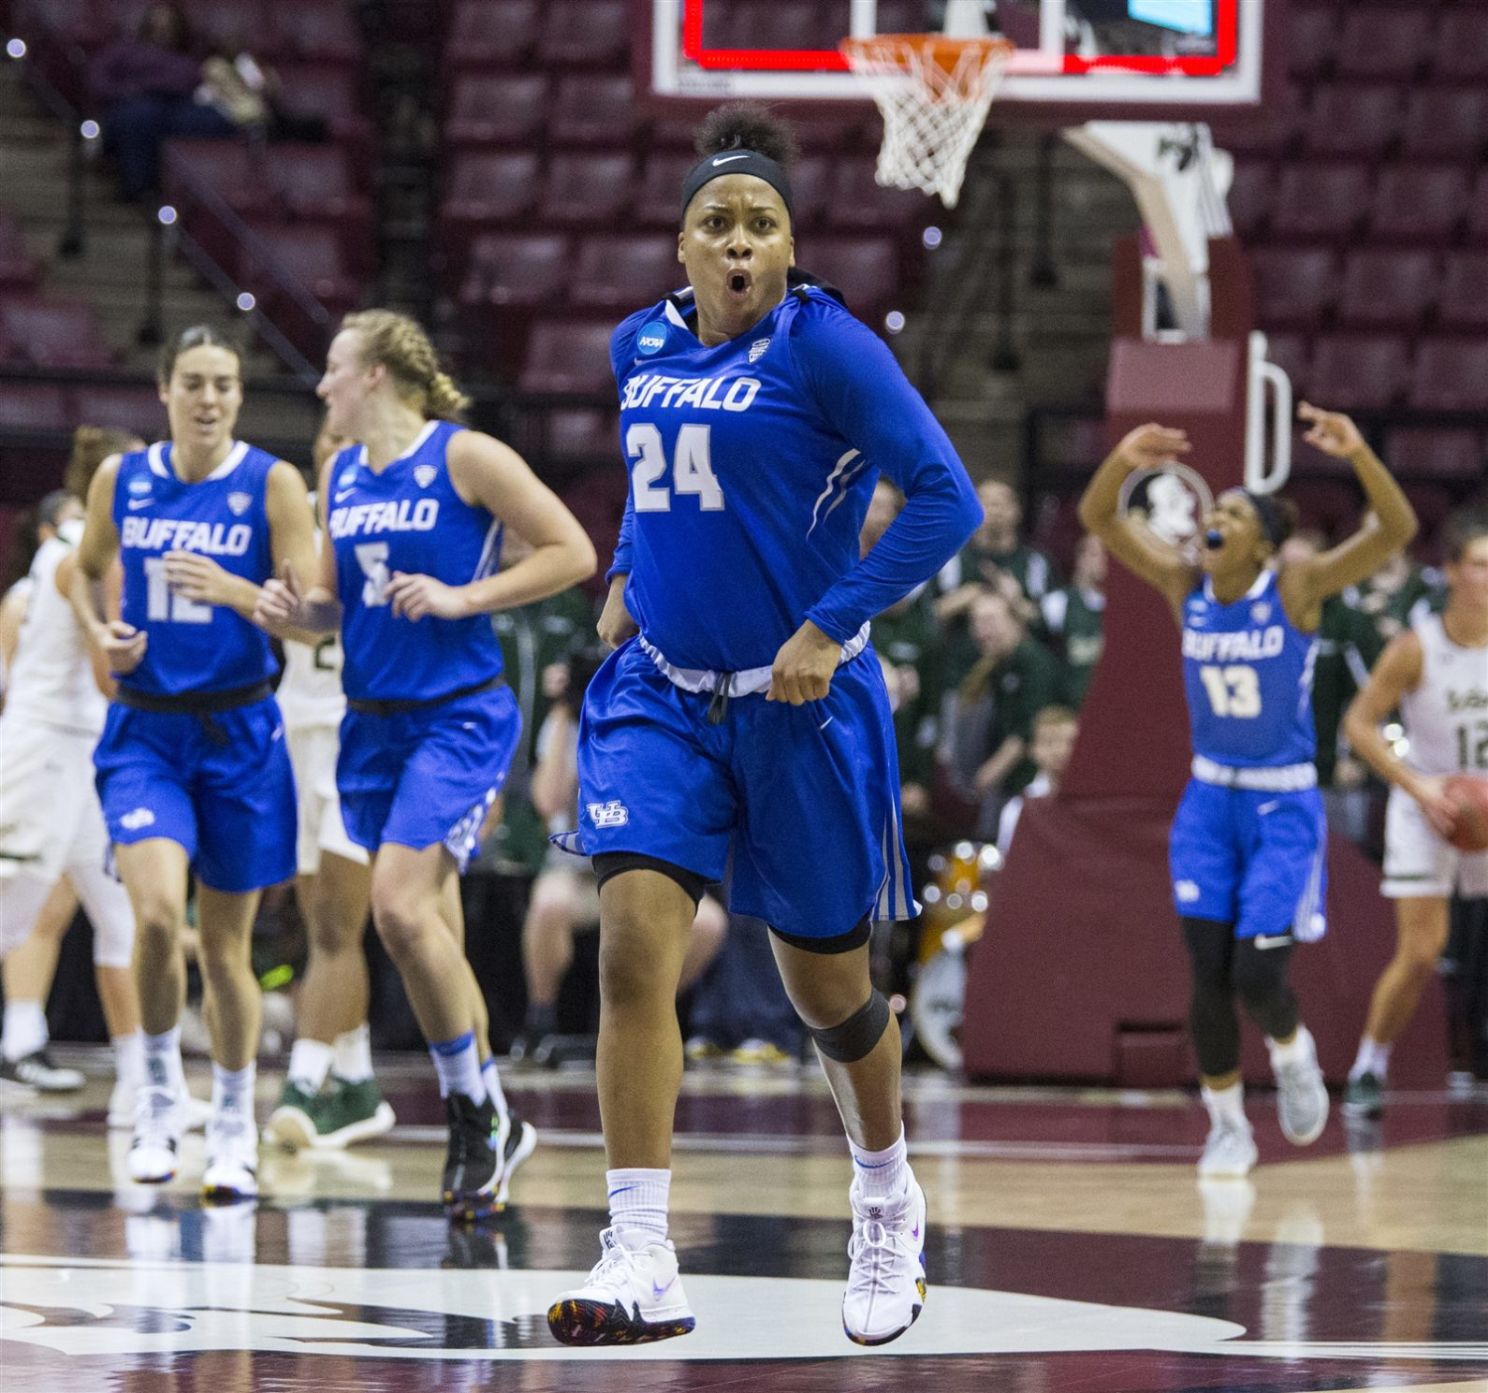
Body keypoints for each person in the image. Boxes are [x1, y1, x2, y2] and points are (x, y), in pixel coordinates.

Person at [542, 104, 980, 1348]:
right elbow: (654, 479)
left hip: (799, 706)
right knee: (632, 946)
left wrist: (830, 624)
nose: (739, 241)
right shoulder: (638, 342)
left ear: (789, 249)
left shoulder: (826, 345)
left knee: (832, 996)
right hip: (664, 693)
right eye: (716, 222)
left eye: (762, 223)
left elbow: (944, 498)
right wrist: (626, 564)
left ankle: (887, 1194)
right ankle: (640, 1255)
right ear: (681, 246)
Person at [255, 309, 596, 1219]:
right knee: (422, 931)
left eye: (334, 368)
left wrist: (464, 595)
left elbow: (574, 550)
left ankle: (477, 1110)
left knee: (396, 907)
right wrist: (288, 609)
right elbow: (333, 607)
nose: (321, 385)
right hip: (373, 726)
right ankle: (488, 1109)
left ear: (376, 375)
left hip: (458, 718)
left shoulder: (465, 457)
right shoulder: (341, 473)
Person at [1077, 403, 1417, 1178]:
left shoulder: (1296, 586)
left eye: (1230, 511)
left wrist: (1360, 450)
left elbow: (1393, 532)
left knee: (1257, 976)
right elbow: (1101, 515)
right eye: (1212, 508)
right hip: (1208, 801)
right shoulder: (1180, 582)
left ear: (1260, 540)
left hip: (1282, 803)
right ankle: (1228, 1125)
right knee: (1207, 975)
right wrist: (1126, 456)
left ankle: (1293, 1050)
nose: (1212, 517)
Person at [69, 326, 318, 1201]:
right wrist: (105, 637)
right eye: (193, 383)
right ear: (165, 391)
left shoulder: (272, 483)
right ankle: (157, 1096)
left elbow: (320, 614)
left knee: (226, 951)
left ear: (240, 398)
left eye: (224, 385)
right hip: (145, 733)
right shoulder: (121, 479)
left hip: (241, 735)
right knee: (151, 915)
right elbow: (82, 568)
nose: (209, 398)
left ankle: (233, 1121)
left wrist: (240, 592)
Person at [0, 431, 142, 1105]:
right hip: (44, 748)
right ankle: (18, 1042)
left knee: (123, 914)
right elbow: (107, 673)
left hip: (85, 753)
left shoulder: (93, 551)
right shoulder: (82, 554)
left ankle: (147, 1080)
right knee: (12, 908)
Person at [264, 423, 391, 1152]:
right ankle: (360, 1078)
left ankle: (303, 1084)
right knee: (320, 928)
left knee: (341, 926)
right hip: (296, 730)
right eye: (331, 434)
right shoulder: (295, 514)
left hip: (360, 730)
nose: (340, 442)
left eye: (354, 433)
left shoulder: (390, 515)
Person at [1341, 510, 1488, 1118]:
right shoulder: (1415, 646)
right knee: (1424, 951)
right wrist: (1418, 786)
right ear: (1452, 571)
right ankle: (1368, 1066)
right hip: (1427, 802)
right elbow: (1358, 722)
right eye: (1480, 564)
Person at [516, 648, 727, 1065]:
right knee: (549, 906)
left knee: (709, 925)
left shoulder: (648, 723)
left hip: (639, 864)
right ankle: (539, 1020)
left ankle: (644, 1011)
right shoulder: (574, 720)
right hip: (575, 867)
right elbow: (547, 800)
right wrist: (564, 712)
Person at [937, 587, 1062, 839]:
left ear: (1014, 621)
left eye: (990, 621)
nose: (981, 631)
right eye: (975, 623)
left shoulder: (1033, 661)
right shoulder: (994, 667)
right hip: (1003, 789)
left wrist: (989, 773)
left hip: (1028, 784)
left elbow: (1028, 727)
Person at [995, 704, 1079, 856]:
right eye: (1049, 742)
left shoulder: (1094, 804)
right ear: (1033, 750)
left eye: (1069, 742)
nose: (1060, 750)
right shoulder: (1018, 809)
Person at [1040, 533, 1107, 708]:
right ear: (1080, 559)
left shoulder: (1130, 607)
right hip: (1070, 708)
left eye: (1107, 553)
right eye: (1093, 553)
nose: (1102, 560)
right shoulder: (1058, 603)